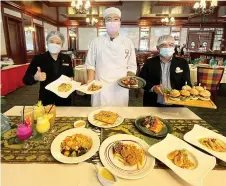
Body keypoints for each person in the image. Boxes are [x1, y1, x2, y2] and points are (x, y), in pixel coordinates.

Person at [85, 7, 137, 107]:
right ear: (104, 23)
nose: (112, 22)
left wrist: (128, 79)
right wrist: (90, 80)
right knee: (98, 113)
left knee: (120, 113)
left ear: (120, 22)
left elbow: (131, 66)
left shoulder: (128, 42)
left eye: (115, 19)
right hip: (100, 85)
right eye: (108, 19)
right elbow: (90, 64)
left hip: (121, 86)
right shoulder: (96, 42)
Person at [23, 31, 74, 106]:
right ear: (47, 43)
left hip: (64, 96)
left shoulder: (66, 58)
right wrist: (35, 78)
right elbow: (25, 80)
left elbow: (70, 75)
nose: (54, 45)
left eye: (58, 43)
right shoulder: (39, 58)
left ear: (62, 45)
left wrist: (72, 81)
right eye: (52, 42)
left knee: (64, 116)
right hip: (46, 97)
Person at [139, 35, 191, 107]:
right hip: (153, 102)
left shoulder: (182, 63)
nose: (167, 47)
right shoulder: (149, 62)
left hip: (176, 103)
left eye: (171, 45)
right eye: (163, 45)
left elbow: (187, 83)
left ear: (174, 47)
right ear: (158, 48)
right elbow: (141, 80)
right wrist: (153, 88)